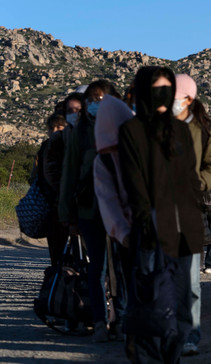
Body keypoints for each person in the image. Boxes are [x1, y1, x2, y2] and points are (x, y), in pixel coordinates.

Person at [118, 66, 204, 362]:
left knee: (181, 300)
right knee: (152, 298)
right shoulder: (131, 131)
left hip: (185, 228)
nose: (164, 96)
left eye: (169, 89)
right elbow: (135, 182)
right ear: (144, 92)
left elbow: (190, 176)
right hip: (152, 228)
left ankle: (173, 355)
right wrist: (146, 223)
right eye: (157, 89)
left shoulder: (180, 129)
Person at [59, 80, 120, 343]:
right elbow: (69, 175)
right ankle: (99, 320)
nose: (96, 104)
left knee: (119, 267)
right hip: (89, 210)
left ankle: (120, 319)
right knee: (97, 267)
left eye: (102, 98)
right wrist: (67, 214)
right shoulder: (79, 134)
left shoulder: (122, 127)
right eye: (92, 99)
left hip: (119, 209)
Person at [172, 74, 211, 356]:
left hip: (188, 211)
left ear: (188, 99)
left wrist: (195, 183)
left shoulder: (204, 129)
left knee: (190, 280)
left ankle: (191, 335)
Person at [92, 94, 134, 342]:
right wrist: (123, 231)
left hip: (141, 226)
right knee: (116, 272)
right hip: (123, 229)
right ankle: (123, 321)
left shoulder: (138, 151)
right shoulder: (104, 160)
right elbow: (107, 199)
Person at [37, 113, 68, 265]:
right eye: (51, 128)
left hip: (73, 202)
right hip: (52, 205)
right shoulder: (45, 147)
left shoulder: (73, 145)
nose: (55, 131)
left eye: (59, 127)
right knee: (56, 251)